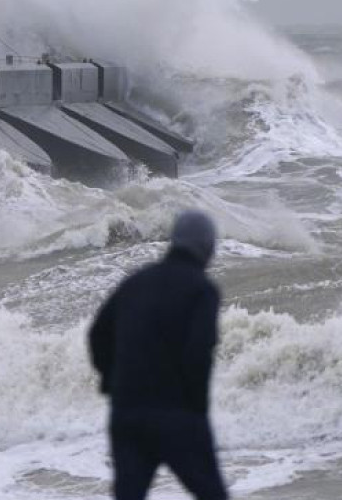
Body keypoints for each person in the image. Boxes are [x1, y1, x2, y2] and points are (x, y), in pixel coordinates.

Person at [88, 210, 228, 500]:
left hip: (127, 414)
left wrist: (111, 381)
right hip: (175, 415)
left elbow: (98, 335)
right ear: (206, 247)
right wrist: (197, 409)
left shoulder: (136, 282)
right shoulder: (202, 290)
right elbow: (197, 354)